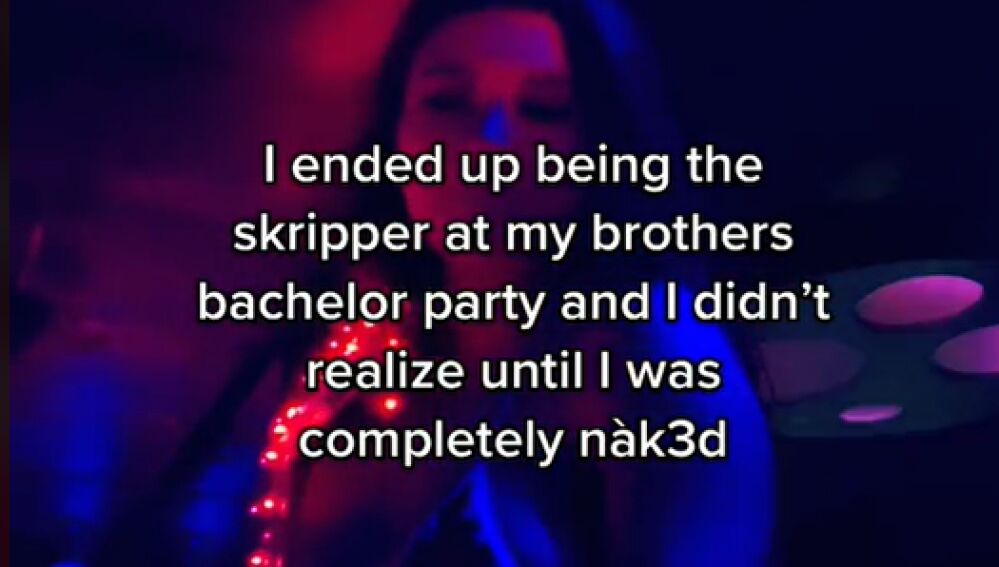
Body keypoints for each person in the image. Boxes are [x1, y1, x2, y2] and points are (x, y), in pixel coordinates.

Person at [251, 1, 775, 565]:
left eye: (545, 110)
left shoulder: (650, 350)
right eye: (446, 101)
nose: (491, 142)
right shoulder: (358, 350)